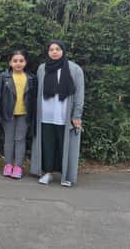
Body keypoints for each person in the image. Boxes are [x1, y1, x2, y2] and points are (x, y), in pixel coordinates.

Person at [30, 41, 85, 187]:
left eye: (57, 49)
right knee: (47, 145)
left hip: (64, 116)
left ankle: (66, 176)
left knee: (65, 146)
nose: (54, 52)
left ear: (63, 51)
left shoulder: (74, 69)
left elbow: (79, 93)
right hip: (46, 115)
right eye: (51, 49)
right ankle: (47, 173)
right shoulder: (42, 68)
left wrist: (77, 115)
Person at [0, 49, 37, 179]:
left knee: (20, 139)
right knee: (9, 140)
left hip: (24, 114)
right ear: (10, 63)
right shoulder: (3, 77)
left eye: (21, 61)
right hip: (8, 114)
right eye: (15, 61)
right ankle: (8, 165)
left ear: (26, 62)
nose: (18, 63)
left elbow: (34, 99)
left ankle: (18, 166)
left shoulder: (31, 78)